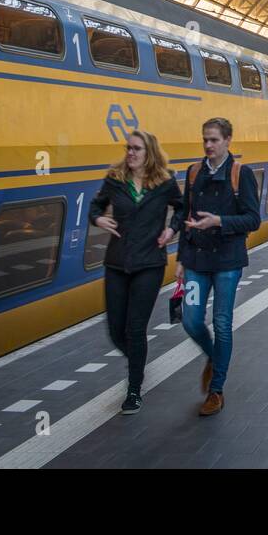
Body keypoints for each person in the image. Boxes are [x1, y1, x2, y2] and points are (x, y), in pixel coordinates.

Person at [172, 118, 261, 417]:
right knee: (190, 320)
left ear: (227, 141)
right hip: (197, 260)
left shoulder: (241, 174)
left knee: (222, 323)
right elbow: (185, 218)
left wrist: (219, 221)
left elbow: (253, 219)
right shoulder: (194, 173)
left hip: (227, 261)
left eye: (214, 140)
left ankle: (216, 391)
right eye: (205, 140)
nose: (208, 145)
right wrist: (181, 260)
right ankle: (214, 357)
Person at [89, 130, 182, 415]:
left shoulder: (164, 183)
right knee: (116, 330)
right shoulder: (115, 179)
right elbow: (95, 206)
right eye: (128, 148)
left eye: (136, 149)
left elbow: (181, 208)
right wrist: (98, 218)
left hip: (149, 264)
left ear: (149, 152)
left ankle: (134, 389)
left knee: (136, 328)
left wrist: (171, 228)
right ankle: (137, 363)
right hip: (117, 263)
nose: (130, 153)